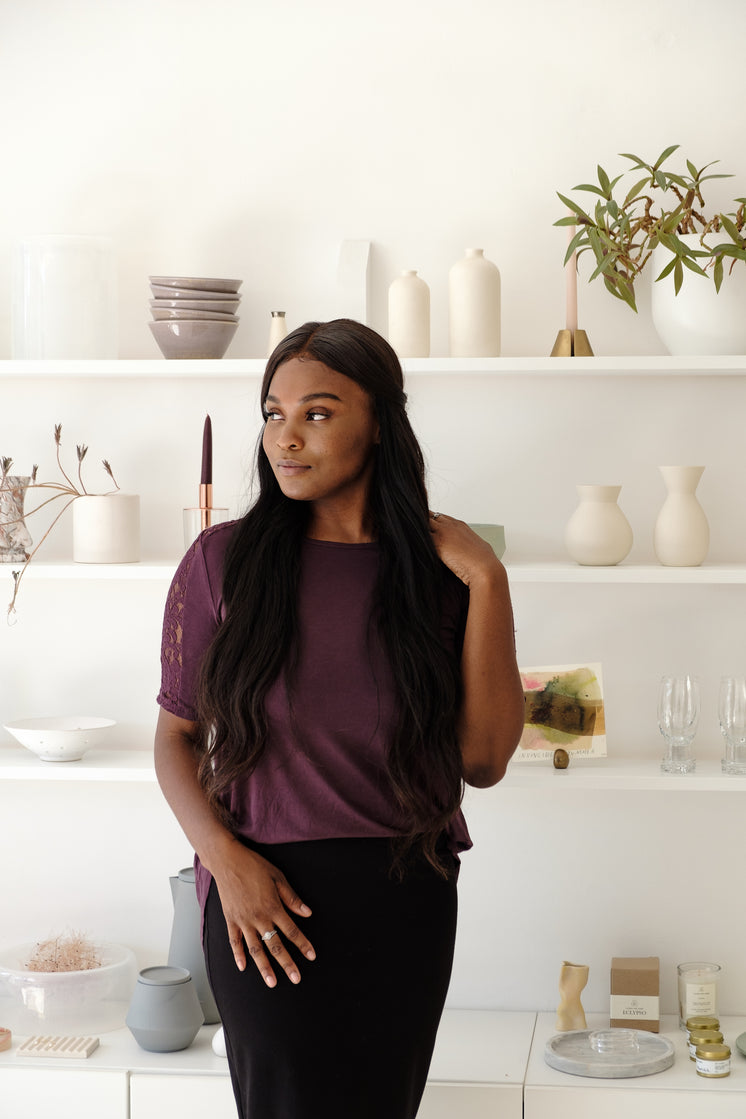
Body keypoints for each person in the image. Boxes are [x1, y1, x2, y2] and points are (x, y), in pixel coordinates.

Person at [154, 318, 524, 1119]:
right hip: (266, 901)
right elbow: (175, 737)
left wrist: (489, 580)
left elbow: (486, 760)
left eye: (318, 413)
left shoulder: (445, 575)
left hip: (407, 901)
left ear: (382, 423)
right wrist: (226, 861)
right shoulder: (221, 562)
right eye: (273, 412)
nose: (287, 437)